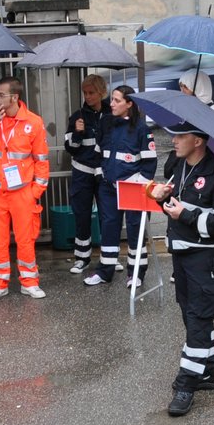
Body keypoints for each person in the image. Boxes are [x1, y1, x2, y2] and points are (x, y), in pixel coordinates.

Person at [148, 122, 214, 416]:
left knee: (199, 317)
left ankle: (186, 384)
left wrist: (186, 215)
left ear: (198, 141)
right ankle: (209, 372)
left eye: (180, 136)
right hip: (182, 253)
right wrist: (162, 198)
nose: (173, 140)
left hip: (205, 259)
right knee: (191, 313)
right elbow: (174, 206)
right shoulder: (178, 164)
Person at [0, 77, 50, 301]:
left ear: (15, 97)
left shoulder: (34, 122)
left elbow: (41, 160)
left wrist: (35, 192)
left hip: (22, 191)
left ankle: (29, 282)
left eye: (1, 95)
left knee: (25, 238)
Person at [84, 86, 158, 288]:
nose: (112, 104)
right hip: (108, 187)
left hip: (133, 189)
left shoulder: (142, 129)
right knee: (108, 228)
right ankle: (104, 272)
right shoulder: (106, 123)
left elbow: (150, 163)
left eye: (117, 100)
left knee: (135, 230)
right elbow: (98, 154)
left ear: (129, 104)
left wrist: (137, 182)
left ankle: (136, 274)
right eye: (112, 100)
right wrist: (101, 175)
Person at [62, 75, 108, 275]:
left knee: (108, 216)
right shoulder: (77, 116)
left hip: (104, 172)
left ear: (101, 93)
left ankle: (109, 256)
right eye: (85, 93)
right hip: (82, 172)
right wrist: (78, 133)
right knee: (82, 215)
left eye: (91, 93)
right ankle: (82, 258)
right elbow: (70, 148)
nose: (87, 97)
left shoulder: (111, 113)